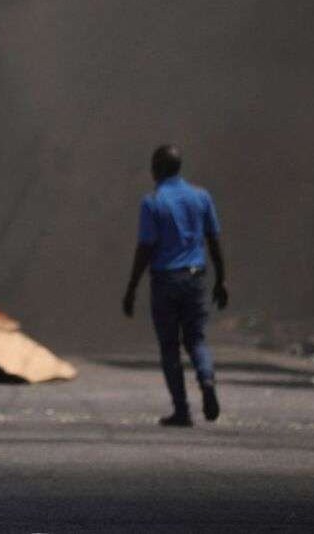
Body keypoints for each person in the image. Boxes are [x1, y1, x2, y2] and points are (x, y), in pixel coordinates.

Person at [122, 144, 228, 427]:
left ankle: (182, 410)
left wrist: (132, 286)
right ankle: (206, 379)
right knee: (197, 339)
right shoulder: (201, 197)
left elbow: (145, 246)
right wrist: (221, 279)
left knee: (170, 346)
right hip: (195, 277)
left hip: (165, 280)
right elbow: (213, 240)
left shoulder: (153, 201)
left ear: (156, 169)